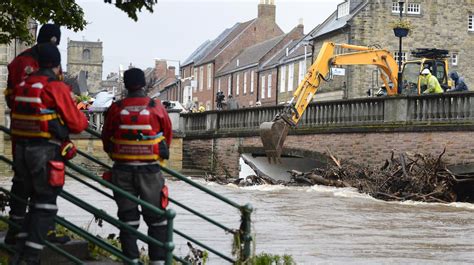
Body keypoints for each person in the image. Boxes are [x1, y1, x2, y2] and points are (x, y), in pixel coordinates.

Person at [8, 43, 88, 264]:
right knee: (45, 204)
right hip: (44, 152)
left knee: (33, 204)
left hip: (21, 150)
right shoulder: (55, 87)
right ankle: (30, 258)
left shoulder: (24, 84)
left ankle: (18, 255)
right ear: (57, 65)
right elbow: (77, 123)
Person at [4, 24, 68, 247]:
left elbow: (11, 98)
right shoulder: (34, 66)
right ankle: (40, 233)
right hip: (41, 138)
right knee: (43, 185)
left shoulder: (18, 61)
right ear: (52, 41)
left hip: (20, 133)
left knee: (22, 181)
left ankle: (18, 229)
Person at [101, 68, 172, 264]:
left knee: (128, 218)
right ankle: (157, 261)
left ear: (125, 84)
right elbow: (167, 135)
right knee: (157, 219)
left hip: (122, 170)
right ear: (143, 84)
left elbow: (106, 138)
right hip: (150, 171)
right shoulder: (156, 106)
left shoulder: (116, 108)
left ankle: (131, 259)